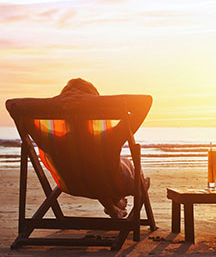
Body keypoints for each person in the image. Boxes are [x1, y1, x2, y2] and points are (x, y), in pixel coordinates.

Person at [9, 78, 152, 219]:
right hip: (113, 185)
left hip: (73, 186)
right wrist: (92, 101)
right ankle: (124, 197)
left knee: (95, 172)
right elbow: (145, 102)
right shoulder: (109, 139)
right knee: (119, 168)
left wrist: (55, 102)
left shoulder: (51, 140)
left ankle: (115, 206)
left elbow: (12, 105)